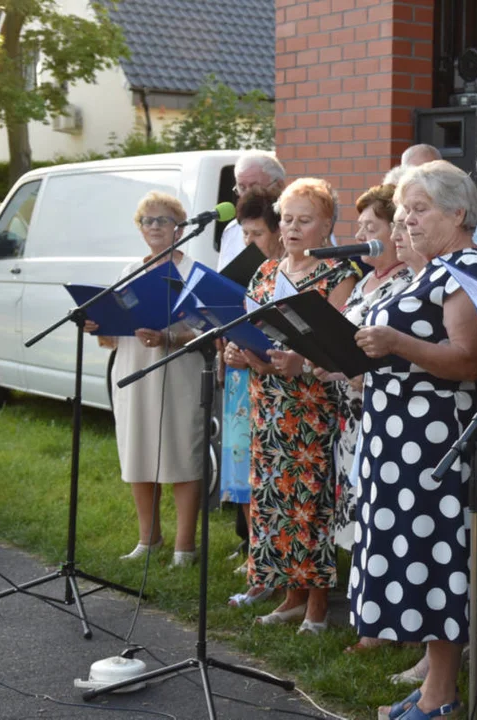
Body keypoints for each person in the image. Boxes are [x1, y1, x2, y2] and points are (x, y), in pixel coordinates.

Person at [349, 160, 477, 720]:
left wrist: (393, 340)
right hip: (398, 440)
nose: (407, 221)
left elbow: (467, 360)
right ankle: (431, 690)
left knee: (442, 561)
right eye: (403, 211)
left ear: (458, 213)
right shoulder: (430, 268)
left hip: (436, 441)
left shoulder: (469, 267)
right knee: (417, 556)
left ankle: (441, 697)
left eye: (419, 210)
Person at [223, 177, 359, 634]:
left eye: (305, 220)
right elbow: (248, 326)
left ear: (327, 226)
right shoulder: (265, 272)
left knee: (311, 501)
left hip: (313, 403)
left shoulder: (341, 276)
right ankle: (290, 594)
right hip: (267, 401)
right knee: (275, 500)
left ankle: (318, 602)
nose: (292, 228)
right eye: (287, 219)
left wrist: (299, 360)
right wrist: (238, 351)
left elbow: (336, 345)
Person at [86, 192, 202, 567]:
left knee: (182, 452)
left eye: (163, 220)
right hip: (133, 369)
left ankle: (185, 547)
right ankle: (148, 539)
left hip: (177, 371)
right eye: (147, 221)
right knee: (138, 451)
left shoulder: (192, 271)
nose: (154, 227)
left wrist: (170, 337)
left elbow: (207, 330)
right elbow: (115, 331)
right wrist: (99, 326)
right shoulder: (128, 271)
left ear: (179, 227)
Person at [326, 185, 414, 653]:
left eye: (371, 227)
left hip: (382, 415)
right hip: (352, 413)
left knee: (382, 519)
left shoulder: (404, 283)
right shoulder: (364, 282)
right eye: (358, 227)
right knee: (361, 518)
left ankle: (385, 626)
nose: (361, 235)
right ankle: (372, 615)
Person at [223, 190, 287, 608]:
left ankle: (280, 573)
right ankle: (257, 565)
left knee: (272, 483)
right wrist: (230, 347)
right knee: (244, 480)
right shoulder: (254, 269)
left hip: (276, 386)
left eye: (257, 232)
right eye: (245, 233)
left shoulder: (292, 270)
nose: (250, 241)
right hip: (241, 384)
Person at [218, 153, 287, 271]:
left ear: (279, 185)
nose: (248, 194)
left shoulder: (296, 227)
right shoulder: (232, 230)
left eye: (255, 187)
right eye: (242, 188)